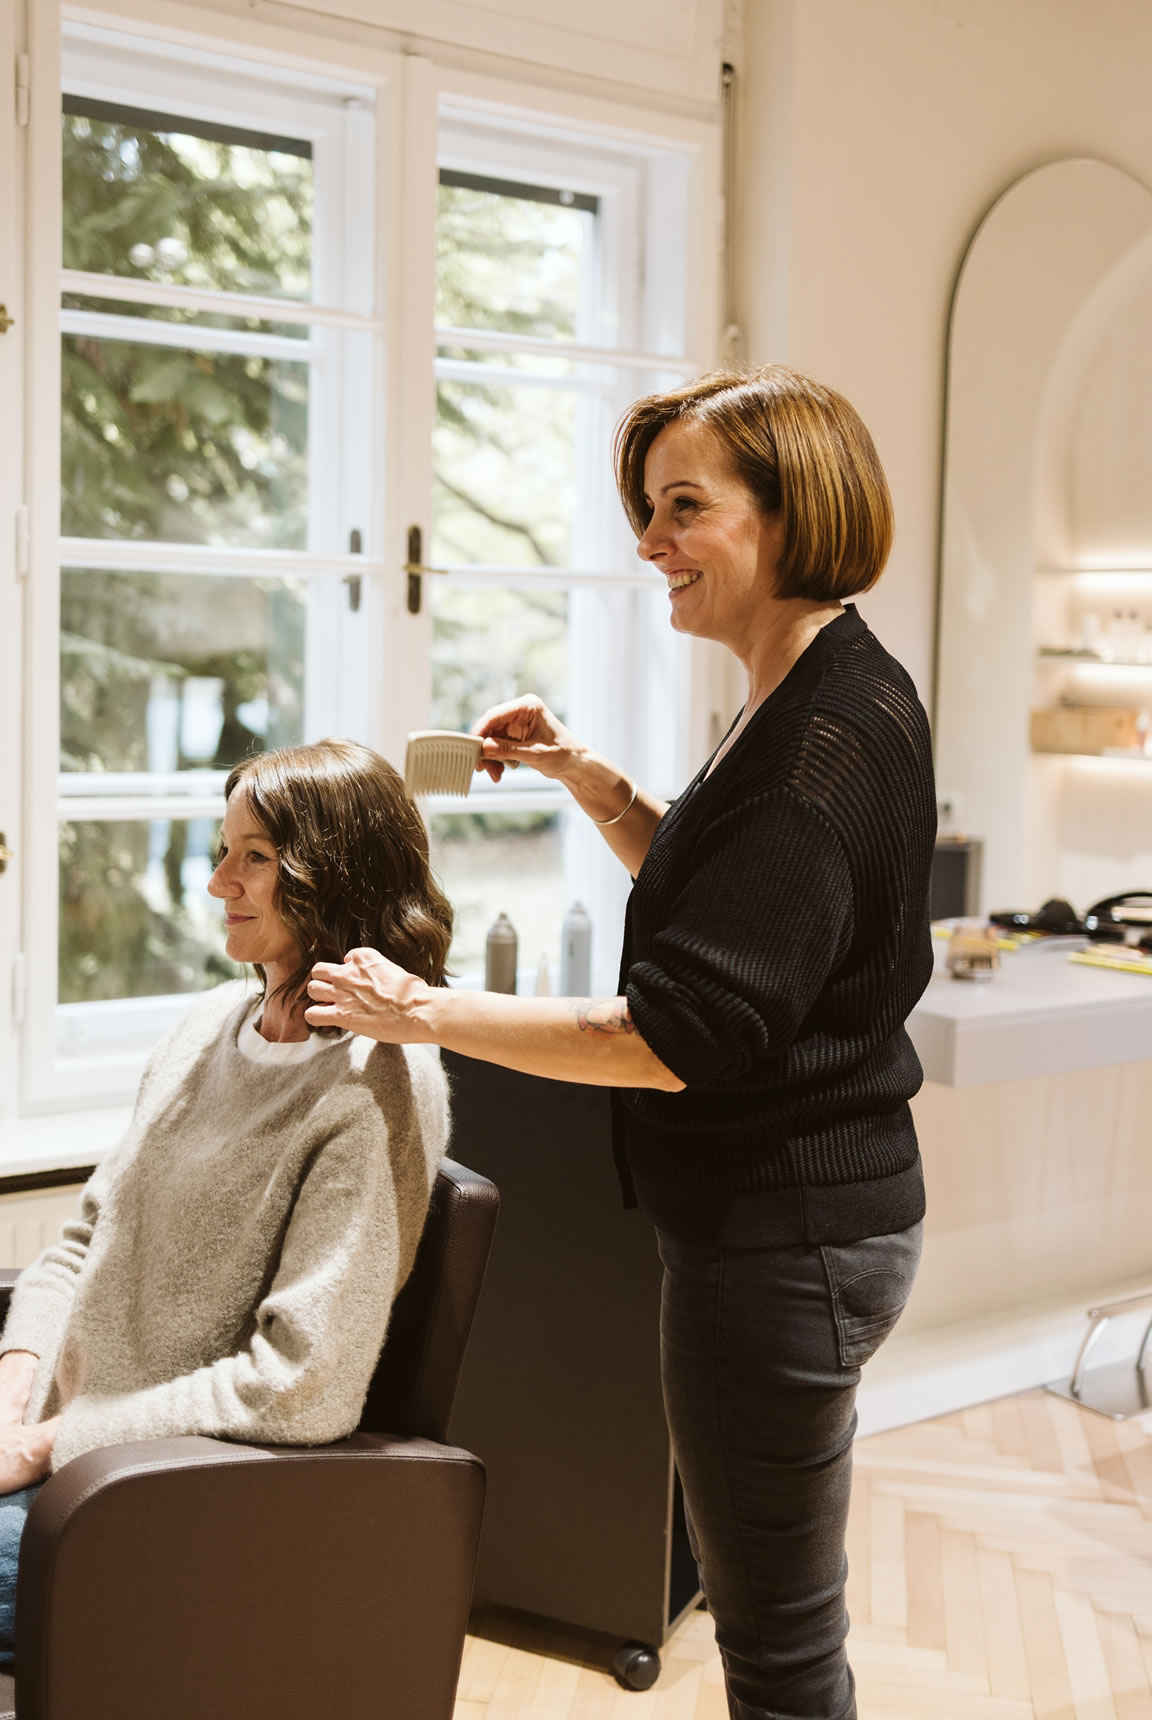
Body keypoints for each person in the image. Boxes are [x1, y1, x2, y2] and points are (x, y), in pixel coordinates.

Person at [306, 367, 936, 1720]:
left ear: (789, 512)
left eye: (682, 507)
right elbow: (731, 908)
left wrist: (418, 1010)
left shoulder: (818, 740)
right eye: (648, 509)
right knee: (783, 1623)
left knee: (778, 1650)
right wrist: (586, 781)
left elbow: (667, 1037)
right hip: (806, 1227)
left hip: (785, 1242)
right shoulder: (811, 688)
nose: (649, 543)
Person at [0, 740, 452, 1674]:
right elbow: (82, 1241)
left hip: (141, 1502)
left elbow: (300, 1384)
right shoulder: (205, 1027)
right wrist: (0, 1399)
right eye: (223, 849)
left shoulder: (374, 1088)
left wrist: (42, 1448)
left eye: (254, 857)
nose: (218, 880)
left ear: (336, 876)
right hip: (45, 1444)